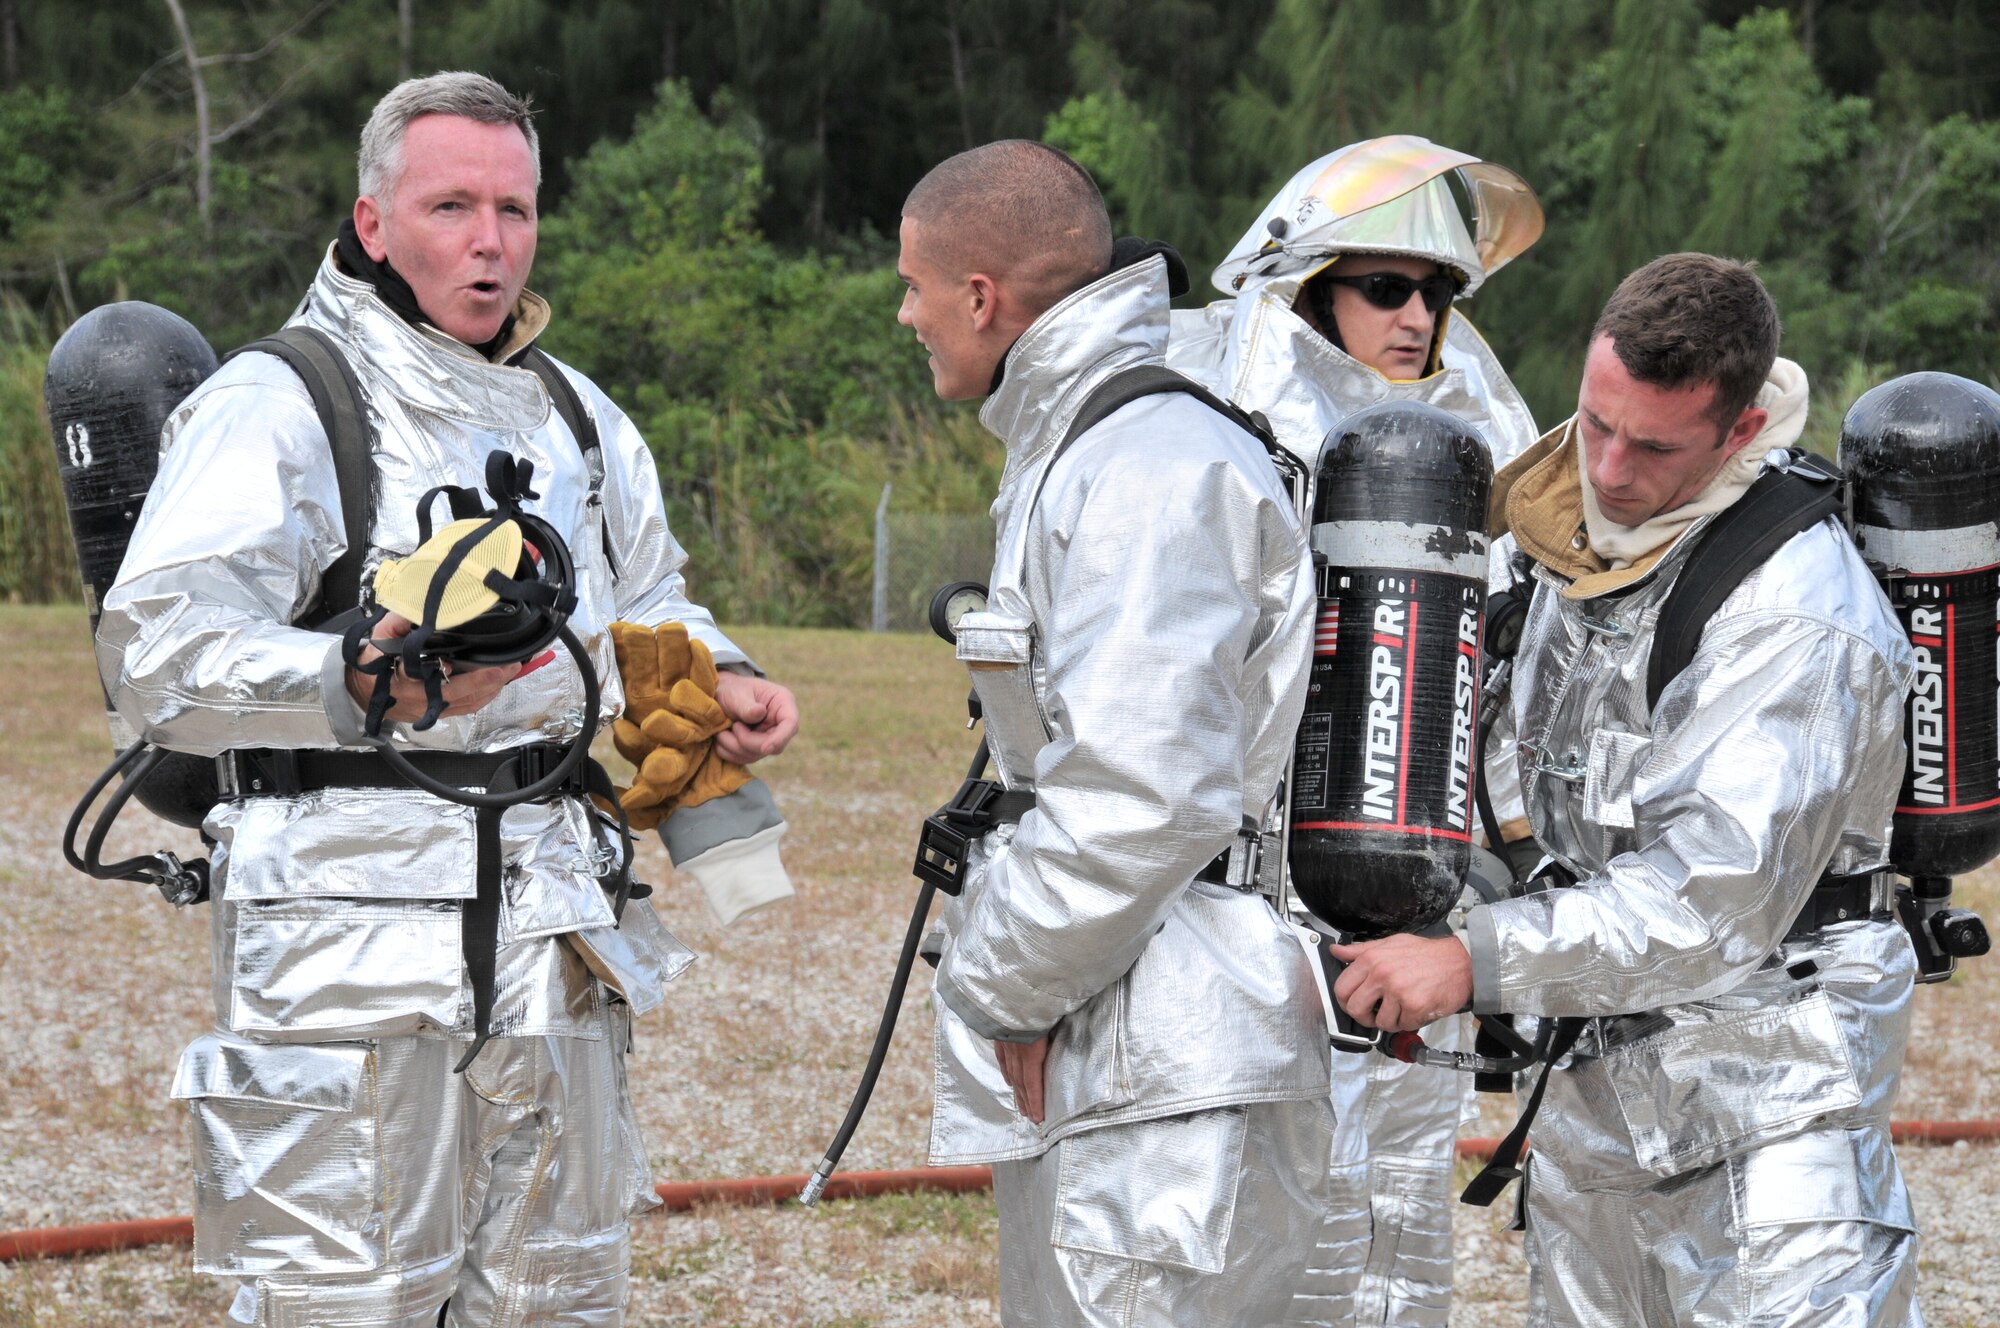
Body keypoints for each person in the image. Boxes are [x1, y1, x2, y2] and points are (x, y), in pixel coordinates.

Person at [97, 72, 797, 1327]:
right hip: (339, 943)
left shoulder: (578, 414)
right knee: (342, 1299)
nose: (491, 242)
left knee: (555, 1294)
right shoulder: (282, 403)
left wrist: (722, 670)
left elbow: (649, 601)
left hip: (555, 935)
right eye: (453, 206)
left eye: (516, 210)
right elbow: (154, 652)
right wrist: (351, 673)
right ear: (373, 223)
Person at [1331, 253, 1922, 1325]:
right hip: (1597, 1111)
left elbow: (1704, 902)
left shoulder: (1793, 615)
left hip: (1767, 1123)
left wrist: (1472, 961)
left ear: (1740, 431)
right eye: (1594, 420)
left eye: (1651, 445)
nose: (1605, 466)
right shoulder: (1572, 536)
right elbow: (1534, 778)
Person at [898, 139, 1333, 1326]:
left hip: (1169, 1067)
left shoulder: (1149, 466)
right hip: (1131, 1035)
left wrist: (996, 985)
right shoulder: (1086, 444)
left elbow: (1144, 795)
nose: (906, 313)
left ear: (979, 297)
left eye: (915, 286)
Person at [1166, 135, 1543, 1328]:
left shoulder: (1473, 436)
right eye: (1385, 285)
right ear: (1310, 291)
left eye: (1436, 290)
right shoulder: (1222, 435)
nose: (1416, 313)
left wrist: (1508, 886)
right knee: (1262, 1219)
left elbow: (1504, 691)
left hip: (1416, 890)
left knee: (1398, 1212)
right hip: (1254, 903)